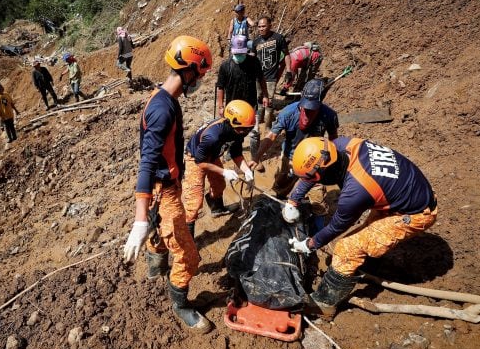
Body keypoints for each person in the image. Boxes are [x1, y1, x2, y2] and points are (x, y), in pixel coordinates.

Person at [284, 137, 437, 317]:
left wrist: (309, 244)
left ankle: (324, 303)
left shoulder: (355, 193)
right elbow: (313, 172)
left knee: (346, 248)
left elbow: (336, 227)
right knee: (366, 235)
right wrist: (294, 200)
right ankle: (369, 261)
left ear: (324, 173)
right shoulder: (341, 145)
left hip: (415, 214)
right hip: (404, 190)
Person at [122, 35, 214, 333]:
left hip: (167, 184)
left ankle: (155, 268)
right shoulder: (163, 110)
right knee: (188, 255)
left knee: (160, 231)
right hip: (164, 189)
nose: (199, 80)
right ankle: (181, 304)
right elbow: (147, 162)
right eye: (198, 74)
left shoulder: (163, 100)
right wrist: (138, 220)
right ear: (188, 70)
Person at [182, 100, 257, 238]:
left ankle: (217, 209)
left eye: (249, 128)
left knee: (219, 185)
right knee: (194, 202)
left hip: (212, 155)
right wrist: (224, 171)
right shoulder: (213, 136)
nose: (247, 132)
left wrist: (247, 171)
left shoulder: (238, 132)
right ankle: (188, 241)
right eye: (245, 129)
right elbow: (200, 162)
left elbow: (236, 154)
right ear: (233, 122)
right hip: (195, 158)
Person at [255, 79, 338, 197]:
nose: (306, 116)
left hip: (314, 159)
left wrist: (333, 160)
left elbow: (333, 139)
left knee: (317, 194)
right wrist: (256, 157)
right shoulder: (288, 113)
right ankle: (279, 196)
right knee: (283, 182)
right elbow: (272, 136)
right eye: (305, 109)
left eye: (311, 110)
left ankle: (316, 212)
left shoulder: (329, 116)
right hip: (290, 156)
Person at [251, 16, 290, 168]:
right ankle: (258, 121)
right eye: (259, 27)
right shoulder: (255, 42)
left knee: (270, 102)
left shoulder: (278, 38)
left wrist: (289, 70)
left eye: (263, 26)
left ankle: (267, 127)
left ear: (270, 25)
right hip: (257, 77)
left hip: (271, 78)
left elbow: (286, 54)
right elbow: (252, 59)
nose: (261, 29)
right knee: (258, 100)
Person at [215, 34, 269, 127]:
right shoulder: (225, 66)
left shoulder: (253, 62)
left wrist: (265, 95)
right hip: (232, 106)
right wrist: (221, 106)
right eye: (237, 54)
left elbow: (261, 78)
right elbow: (220, 87)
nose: (239, 55)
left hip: (250, 104)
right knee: (233, 130)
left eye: (241, 53)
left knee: (253, 131)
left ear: (246, 51)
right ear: (232, 51)